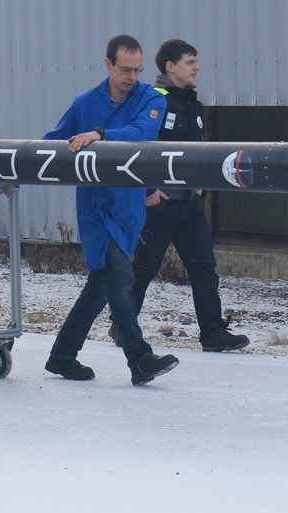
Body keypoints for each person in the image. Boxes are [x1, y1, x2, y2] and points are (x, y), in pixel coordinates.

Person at [42, 34, 180, 386]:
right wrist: (14, 171)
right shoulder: (85, 103)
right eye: (124, 69)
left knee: (100, 287)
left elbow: (144, 131)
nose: (131, 76)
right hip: (96, 209)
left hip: (129, 208)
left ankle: (62, 356)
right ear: (108, 65)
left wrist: (101, 134)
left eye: (137, 70)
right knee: (120, 279)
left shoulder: (152, 97)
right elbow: (54, 140)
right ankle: (140, 360)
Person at [131, 39, 250, 352]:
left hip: (188, 203)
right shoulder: (153, 100)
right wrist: (147, 190)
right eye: (190, 62)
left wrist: (200, 182)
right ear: (170, 67)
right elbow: (136, 147)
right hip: (159, 203)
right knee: (144, 269)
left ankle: (212, 333)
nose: (197, 67)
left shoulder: (193, 105)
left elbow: (197, 151)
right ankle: (123, 326)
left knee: (203, 266)